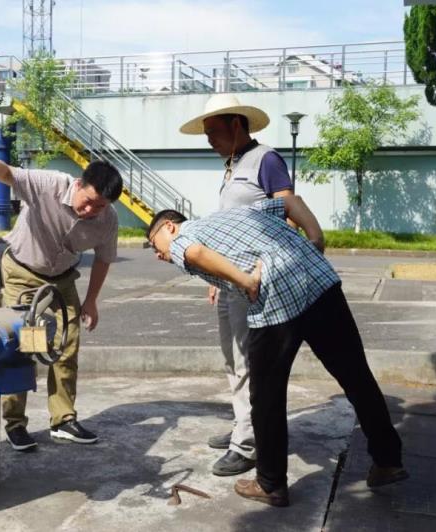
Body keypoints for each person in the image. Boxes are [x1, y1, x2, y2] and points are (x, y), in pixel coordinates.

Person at [146, 196, 407, 507]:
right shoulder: (239, 213)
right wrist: (316, 238)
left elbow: (194, 252)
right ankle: (388, 460)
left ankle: (270, 483)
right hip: (318, 280)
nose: (158, 254)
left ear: (170, 226)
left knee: (266, 396)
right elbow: (290, 202)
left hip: (276, 300)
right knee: (356, 376)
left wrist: (246, 281)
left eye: (155, 244)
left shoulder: (185, 235)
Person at [0, 158, 123, 451]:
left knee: (67, 345)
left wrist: (91, 300)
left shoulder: (108, 220)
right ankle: (15, 424)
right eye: (88, 201)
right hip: (22, 273)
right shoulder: (50, 184)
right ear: (79, 184)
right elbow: (8, 173)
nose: (91, 210)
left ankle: (63, 420)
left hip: (62, 279)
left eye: (99, 206)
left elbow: (103, 259)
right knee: (19, 344)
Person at [179, 94, 295, 476]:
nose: (209, 140)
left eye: (213, 132)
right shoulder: (232, 165)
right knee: (232, 359)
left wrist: (264, 264)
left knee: (249, 361)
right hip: (229, 280)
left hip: (252, 283)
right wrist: (218, 275)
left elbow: (288, 212)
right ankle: (243, 425)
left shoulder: (266, 160)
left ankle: (248, 444)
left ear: (235, 125)